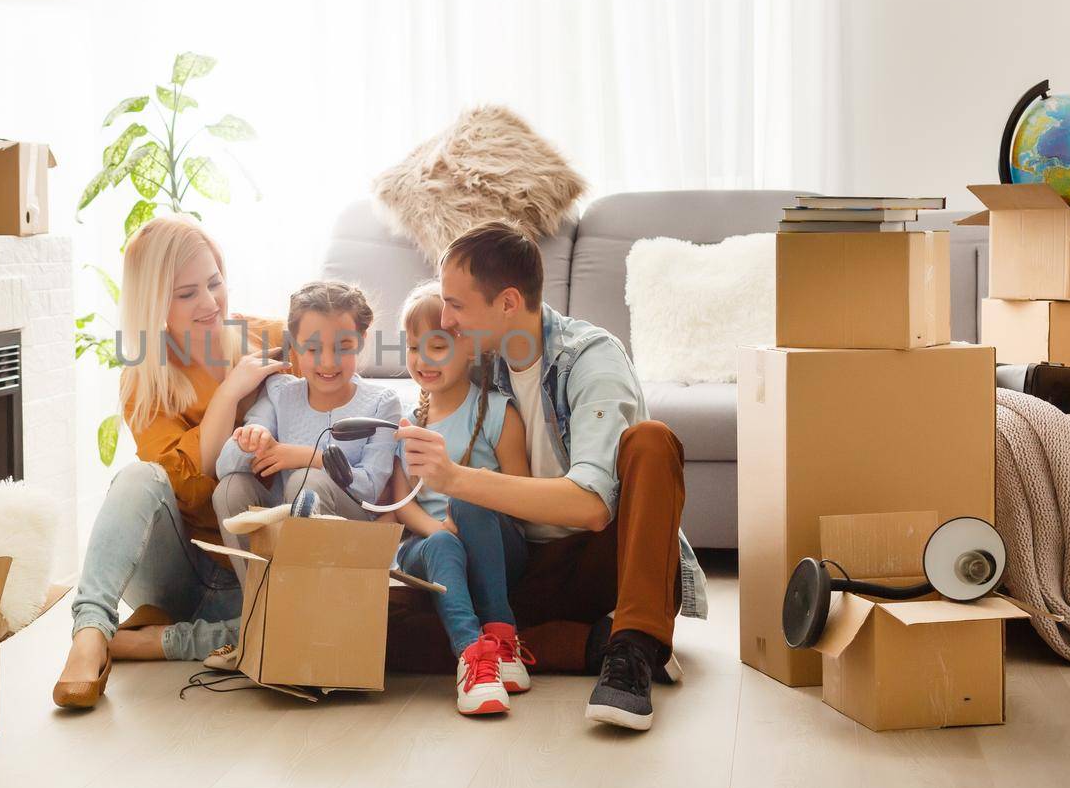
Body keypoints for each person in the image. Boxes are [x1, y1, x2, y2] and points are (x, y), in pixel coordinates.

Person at [395, 221, 707, 731]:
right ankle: (594, 643)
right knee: (389, 632)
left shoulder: (590, 358)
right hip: (520, 567)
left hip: (598, 556)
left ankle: (629, 649)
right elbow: (428, 396)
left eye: (456, 304)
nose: (446, 319)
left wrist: (456, 480)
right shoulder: (478, 360)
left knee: (651, 440)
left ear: (508, 303)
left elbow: (591, 507)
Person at [53, 216, 286, 709]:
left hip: (255, 575)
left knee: (293, 617)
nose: (209, 302)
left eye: (215, 283)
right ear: (155, 302)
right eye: (186, 294)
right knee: (140, 475)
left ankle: (154, 641)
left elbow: (347, 361)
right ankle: (91, 632)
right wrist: (229, 395)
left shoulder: (271, 339)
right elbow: (185, 488)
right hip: (181, 573)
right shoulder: (146, 378)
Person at [382, 281, 532, 716]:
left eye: (438, 346)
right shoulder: (407, 424)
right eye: (413, 348)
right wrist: (440, 530)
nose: (423, 359)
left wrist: (464, 513)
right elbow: (401, 503)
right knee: (445, 543)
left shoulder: (500, 413)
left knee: (470, 493)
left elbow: (521, 496)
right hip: (428, 549)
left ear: (471, 349)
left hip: (496, 546)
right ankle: (473, 657)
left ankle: (504, 639)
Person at [210, 280, 400, 542]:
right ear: (295, 345)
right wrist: (250, 440)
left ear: (361, 340)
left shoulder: (382, 403)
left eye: (343, 347)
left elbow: (370, 489)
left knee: (307, 480)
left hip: (348, 529)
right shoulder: (279, 392)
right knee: (230, 488)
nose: (328, 361)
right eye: (312, 349)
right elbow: (224, 468)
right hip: (283, 522)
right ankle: (257, 585)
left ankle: (309, 583)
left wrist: (308, 457)